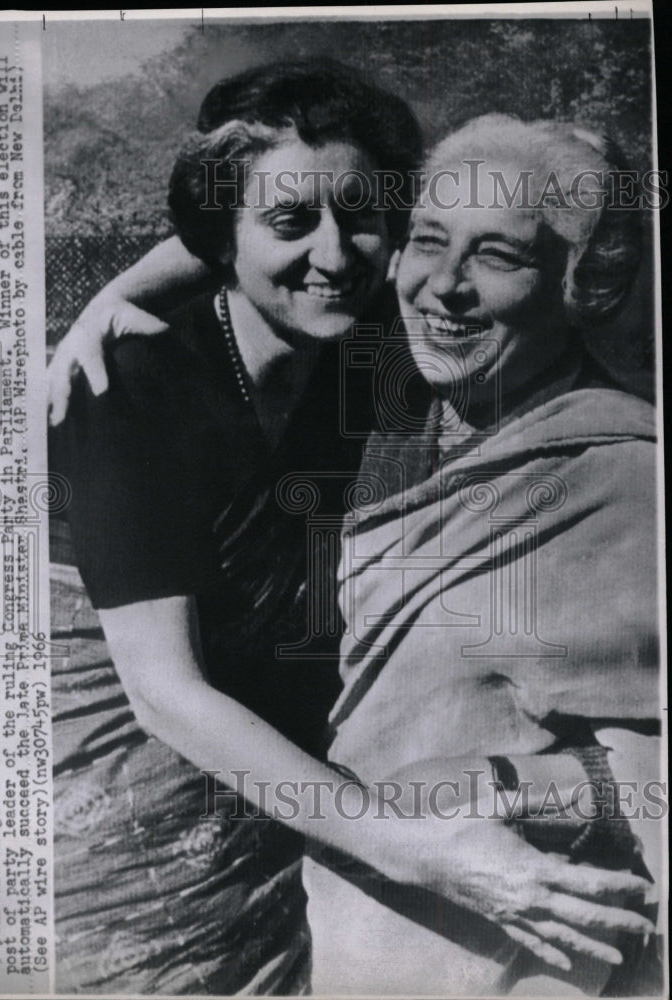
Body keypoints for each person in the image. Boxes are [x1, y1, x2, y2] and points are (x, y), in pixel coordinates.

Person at [48, 65, 656, 996]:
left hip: (313, 800)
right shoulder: (133, 387)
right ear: (219, 241)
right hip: (155, 798)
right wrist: (416, 851)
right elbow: (164, 692)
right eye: (292, 226)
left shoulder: (382, 332)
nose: (336, 255)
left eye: (365, 219)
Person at [304, 114, 663, 995]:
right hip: (342, 921)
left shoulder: (623, 475)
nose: (444, 288)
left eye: (499, 257)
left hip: (515, 944)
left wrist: (497, 782)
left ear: (583, 285)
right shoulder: (383, 414)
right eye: (429, 241)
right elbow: (257, 233)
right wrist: (117, 307)